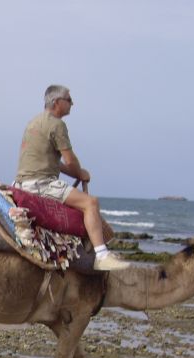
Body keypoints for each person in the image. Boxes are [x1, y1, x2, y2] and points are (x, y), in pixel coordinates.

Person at [15, 85, 128, 271]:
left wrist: (75, 172)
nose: (72, 103)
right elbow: (70, 159)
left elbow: (52, 163)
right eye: (69, 99)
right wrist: (80, 172)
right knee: (91, 203)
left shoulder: (33, 123)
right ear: (57, 102)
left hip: (22, 183)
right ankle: (102, 255)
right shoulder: (57, 124)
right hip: (41, 184)